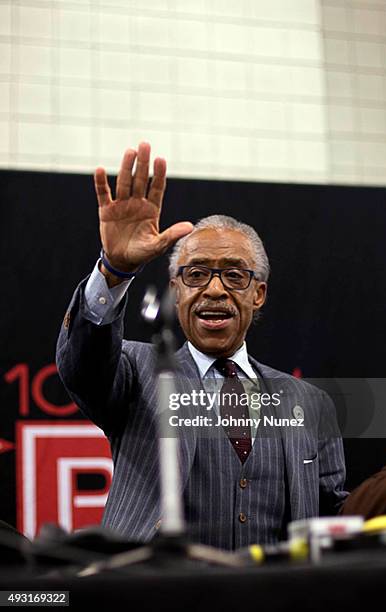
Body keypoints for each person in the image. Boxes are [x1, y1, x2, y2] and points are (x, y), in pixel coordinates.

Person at [56, 142, 348, 550]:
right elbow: (82, 364)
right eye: (196, 274)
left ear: (258, 294)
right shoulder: (138, 370)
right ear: (176, 289)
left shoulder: (310, 403)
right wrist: (114, 269)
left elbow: (332, 516)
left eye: (233, 275)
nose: (214, 290)